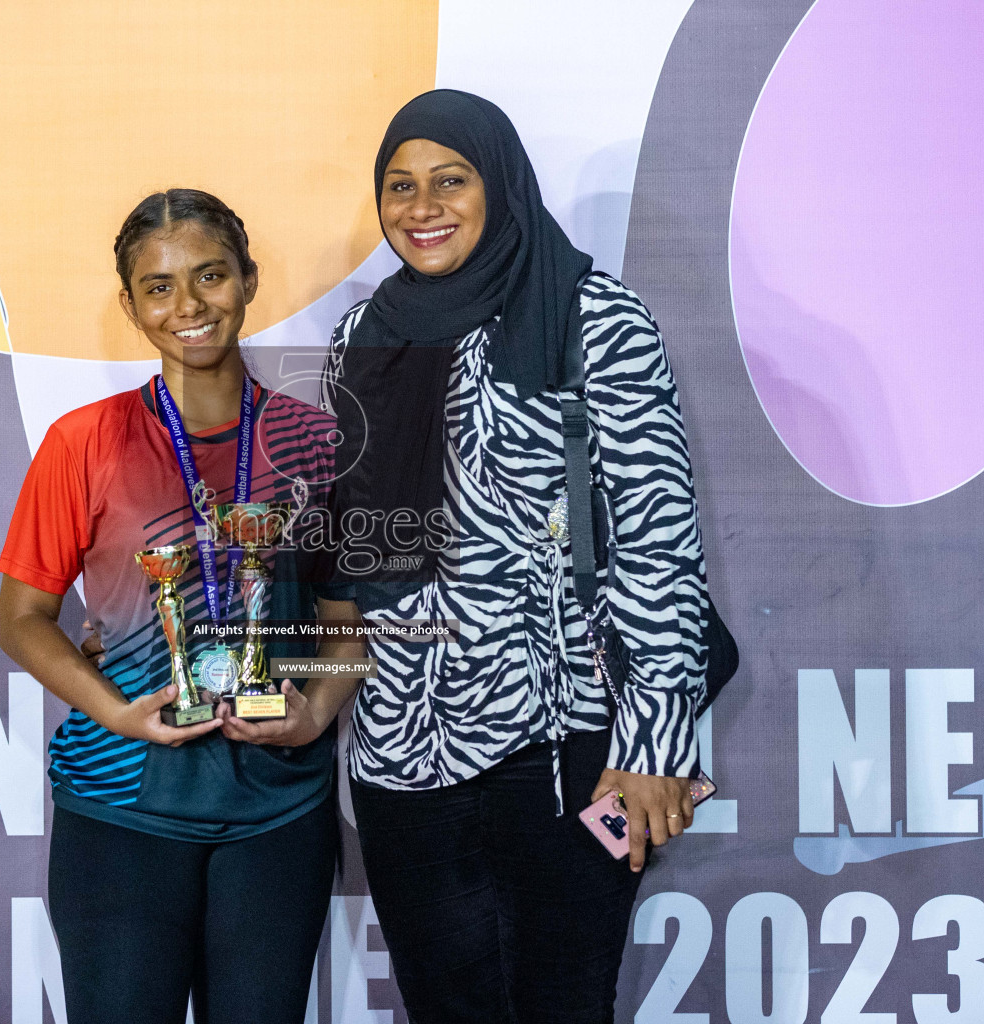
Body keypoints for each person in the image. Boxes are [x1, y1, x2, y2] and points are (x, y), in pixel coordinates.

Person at [320, 90, 709, 1024]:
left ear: (498, 184)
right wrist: (287, 691)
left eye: (449, 180)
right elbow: (353, 565)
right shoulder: (362, 340)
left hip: (567, 746)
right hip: (402, 757)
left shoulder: (597, 321)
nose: (423, 206)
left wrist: (655, 746)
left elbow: (659, 545)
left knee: (560, 1007)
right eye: (400, 185)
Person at [0, 188, 362, 1024]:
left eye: (210, 276)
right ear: (130, 305)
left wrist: (312, 716)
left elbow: (346, 629)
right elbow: (22, 619)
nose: (189, 306)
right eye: (159, 287)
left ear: (248, 280)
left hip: (278, 812)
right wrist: (120, 714)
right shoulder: (83, 443)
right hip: (121, 809)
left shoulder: (317, 444)